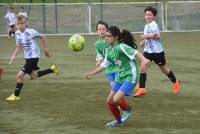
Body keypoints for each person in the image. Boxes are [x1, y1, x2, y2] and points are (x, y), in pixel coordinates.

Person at [85, 26, 150, 127]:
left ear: (116, 37)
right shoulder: (109, 50)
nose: (106, 38)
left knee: (116, 99)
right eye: (106, 36)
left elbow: (136, 53)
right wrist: (91, 74)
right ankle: (119, 122)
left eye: (109, 36)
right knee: (110, 101)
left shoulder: (122, 47)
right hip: (120, 76)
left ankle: (128, 110)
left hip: (130, 76)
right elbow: (103, 65)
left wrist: (144, 59)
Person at [6, 15, 58, 101]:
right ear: (16, 24)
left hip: (34, 57)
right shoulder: (17, 33)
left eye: (22, 23)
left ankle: (16, 95)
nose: (20, 25)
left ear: (25, 24)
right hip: (28, 58)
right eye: (18, 23)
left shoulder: (31, 32)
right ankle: (52, 69)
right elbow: (19, 46)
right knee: (33, 76)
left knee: (20, 75)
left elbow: (43, 37)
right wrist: (13, 56)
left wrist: (45, 50)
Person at [134, 6, 181, 97]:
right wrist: (144, 41)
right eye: (146, 14)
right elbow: (149, 36)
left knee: (163, 69)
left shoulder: (154, 25)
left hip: (157, 52)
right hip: (148, 51)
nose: (148, 16)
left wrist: (145, 37)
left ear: (153, 16)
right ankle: (142, 89)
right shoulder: (146, 25)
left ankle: (176, 82)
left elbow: (157, 36)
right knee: (143, 67)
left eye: (150, 15)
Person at [95, 20, 116, 87]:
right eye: (100, 29)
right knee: (113, 85)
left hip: (118, 66)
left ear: (107, 30)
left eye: (103, 29)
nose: (102, 31)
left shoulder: (112, 40)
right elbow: (100, 55)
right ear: (97, 32)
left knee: (119, 84)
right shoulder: (97, 44)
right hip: (108, 67)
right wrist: (99, 61)